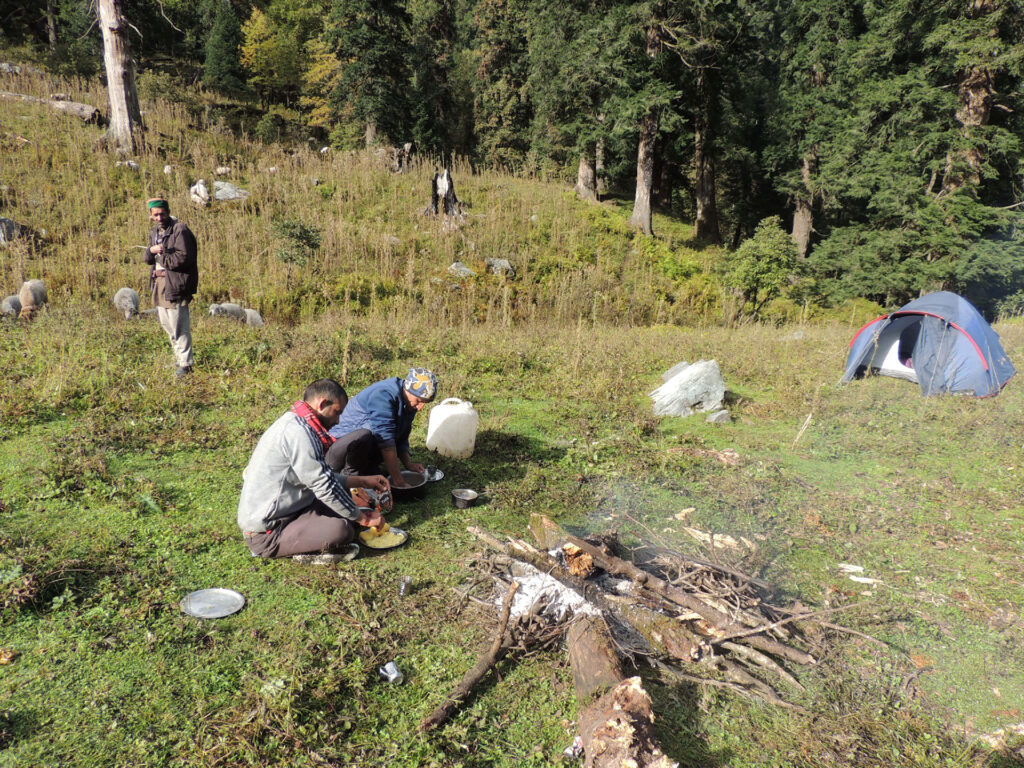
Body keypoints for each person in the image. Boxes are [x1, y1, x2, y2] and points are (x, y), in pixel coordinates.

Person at [237, 378, 390, 563]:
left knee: (348, 510)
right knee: (343, 529)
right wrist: (364, 520)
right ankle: (290, 550)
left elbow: (321, 476)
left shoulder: (298, 424)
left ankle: (314, 532)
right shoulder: (299, 434)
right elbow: (324, 486)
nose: (338, 420)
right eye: (337, 412)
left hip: (294, 508)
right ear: (323, 404)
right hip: (269, 531)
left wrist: (363, 481)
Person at [327, 367, 438, 488]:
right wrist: (398, 481)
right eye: (419, 400)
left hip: (360, 448)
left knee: (386, 434)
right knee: (368, 433)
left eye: (424, 403)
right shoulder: (383, 395)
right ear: (408, 390)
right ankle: (350, 477)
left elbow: (403, 433)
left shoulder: (410, 403)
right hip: (338, 449)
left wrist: (408, 464)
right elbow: (386, 442)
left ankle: (368, 471)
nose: (420, 407)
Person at [145, 197, 198, 377]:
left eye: (162, 214)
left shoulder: (179, 230)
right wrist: (150, 252)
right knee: (167, 324)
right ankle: (179, 359)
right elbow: (148, 258)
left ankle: (186, 365)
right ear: (151, 216)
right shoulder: (155, 232)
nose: (159, 217)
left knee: (179, 325)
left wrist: (161, 257)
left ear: (168, 212)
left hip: (175, 283)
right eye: (156, 215)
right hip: (159, 284)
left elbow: (184, 257)